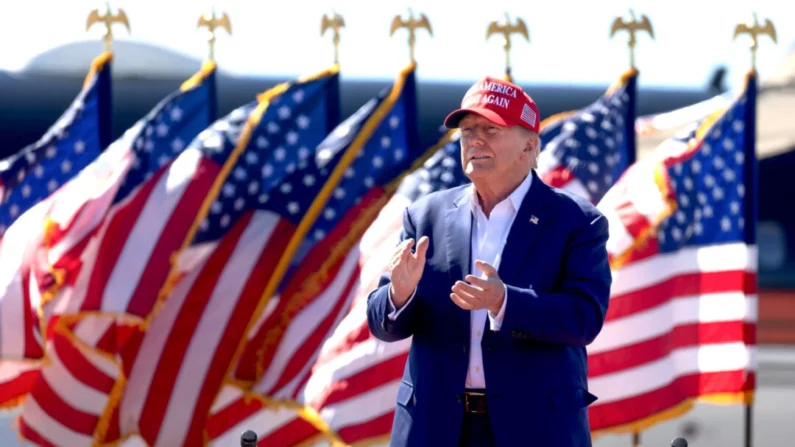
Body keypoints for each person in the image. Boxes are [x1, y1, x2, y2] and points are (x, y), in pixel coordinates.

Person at [366, 76, 612, 447]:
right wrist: (399, 294)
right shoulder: (425, 215)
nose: (475, 139)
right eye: (467, 131)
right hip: (434, 428)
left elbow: (584, 318)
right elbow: (382, 323)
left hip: (535, 429)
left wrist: (504, 302)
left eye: (490, 129)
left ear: (529, 147)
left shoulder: (577, 221)